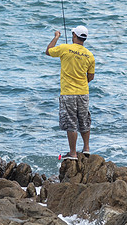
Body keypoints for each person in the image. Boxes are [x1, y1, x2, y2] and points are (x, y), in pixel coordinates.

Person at [46, 25, 95, 160]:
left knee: (71, 121)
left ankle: (72, 153)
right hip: (83, 93)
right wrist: (81, 83)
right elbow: (91, 76)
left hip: (68, 93)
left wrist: (56, 37)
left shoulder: (65, 48)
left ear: (74, 35)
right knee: (84, 119)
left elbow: (48, 51)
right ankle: (86, 148)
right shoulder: (90, 55)